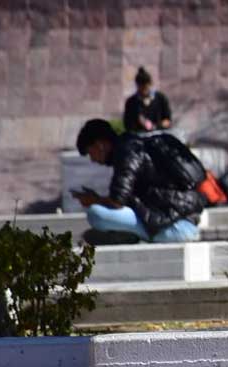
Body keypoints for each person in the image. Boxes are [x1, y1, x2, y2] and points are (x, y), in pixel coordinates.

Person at [73, 119, 205, 244]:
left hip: (174, 229)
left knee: (95, 214)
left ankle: (130, 235)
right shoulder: (136, 146)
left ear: (100, 145)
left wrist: (94, 200)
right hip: (185, 223)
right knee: (96, 227)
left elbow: (117, 202)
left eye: (91, 153)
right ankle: (126, 234)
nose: (93, 160)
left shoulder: (127, 151)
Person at [123, 67, 172, 133]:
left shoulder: (160, 98)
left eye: (145, 87)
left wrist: (155, 126)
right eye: (141, 87)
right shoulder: (131, 102)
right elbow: (127, 125)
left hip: (159, 135)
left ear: (150, 84)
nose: (143, 91)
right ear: (137, 85)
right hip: (138, 137)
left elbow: (168, 121)